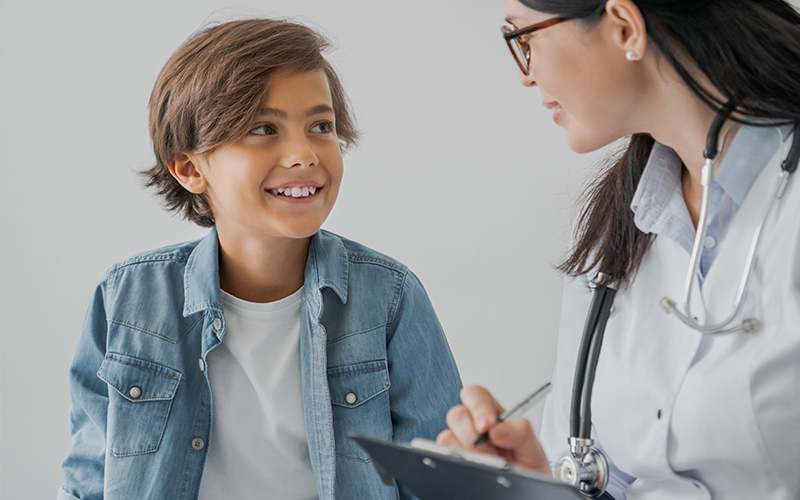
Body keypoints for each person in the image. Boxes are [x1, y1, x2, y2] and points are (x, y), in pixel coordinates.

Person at [57, 18, 462, 500]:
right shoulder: (126, 299)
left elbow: (441, 483)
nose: (304, 153)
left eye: (321, 126)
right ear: (190, 168)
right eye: (263, 128)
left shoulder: (391, 298)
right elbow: (87, 482)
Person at [437, 0, 800, 498]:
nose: (526, 74)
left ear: (625, 27)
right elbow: (597, 471)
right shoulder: (610, 232)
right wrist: (534, 482)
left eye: (526, 37)